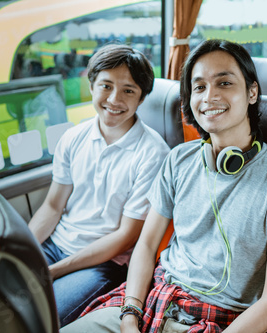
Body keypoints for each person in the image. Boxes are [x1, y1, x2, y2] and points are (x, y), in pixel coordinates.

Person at [62, 39, 267, 332]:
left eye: (224, 83)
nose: (209, 96)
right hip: (149, 301)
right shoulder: (178, 160)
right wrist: (130, 316)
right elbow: (146, 246)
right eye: (199, 87)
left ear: (252, 92)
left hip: (213, 321)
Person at [28, 44, 170, 326]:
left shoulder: (154, 154)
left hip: (103, 263)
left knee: (40, 317)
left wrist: (52, 271)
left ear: (141, 98)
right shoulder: (73, 136)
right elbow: (53, 206)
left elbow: (126, 236)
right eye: (106, 86)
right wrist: (25, 249)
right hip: (56, 245)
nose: (115, 99)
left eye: (128, 90)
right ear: (91, 86)